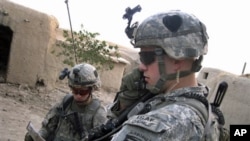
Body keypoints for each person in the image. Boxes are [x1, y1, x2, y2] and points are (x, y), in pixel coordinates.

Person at [109, 10, 222, 141]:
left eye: (147, 57)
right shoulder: (201, 106)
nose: (141, 66)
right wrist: (125, 104)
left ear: (177, 60)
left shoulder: (166, 123)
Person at [25, 63, 108, 141]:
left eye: (83, 92)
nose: (78, 95)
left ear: (92, 89)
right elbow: (47, 128)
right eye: (75, 91)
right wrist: (38, 136)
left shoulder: (98, 112)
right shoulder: (66, 102)